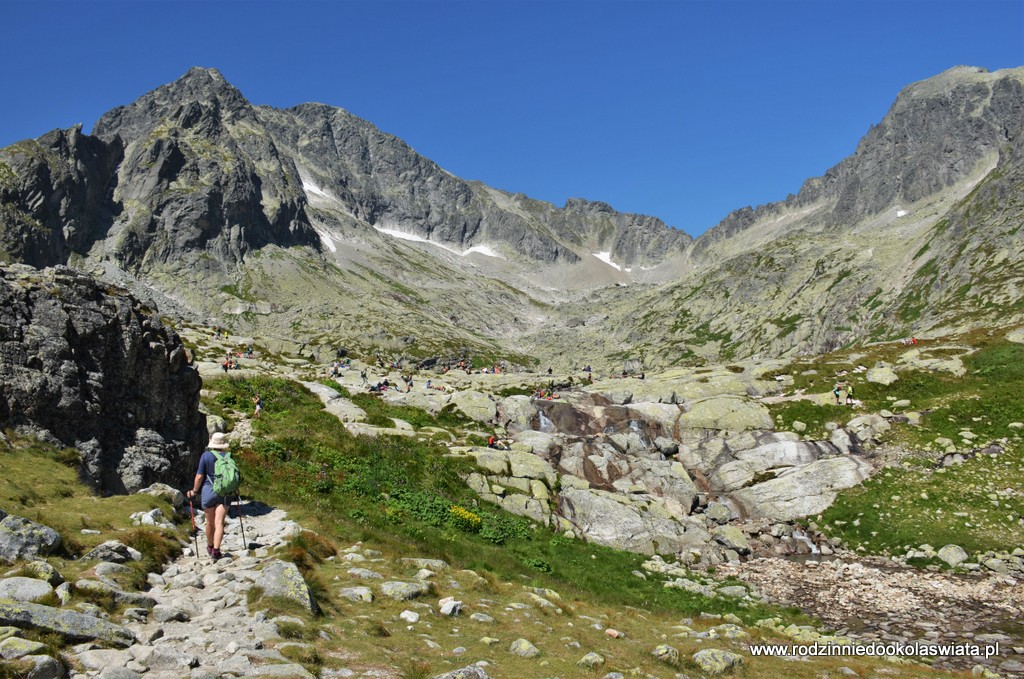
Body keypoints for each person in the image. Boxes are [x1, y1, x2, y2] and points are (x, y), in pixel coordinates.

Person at [187, 433, 231, 560]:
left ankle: (210, 546)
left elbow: (199, 476)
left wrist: (194, 491)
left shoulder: (206, 456)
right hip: (225, 493)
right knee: (219, 522)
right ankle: (217, 551)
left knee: (210, 523)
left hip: (209, 491)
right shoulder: (229, 456)